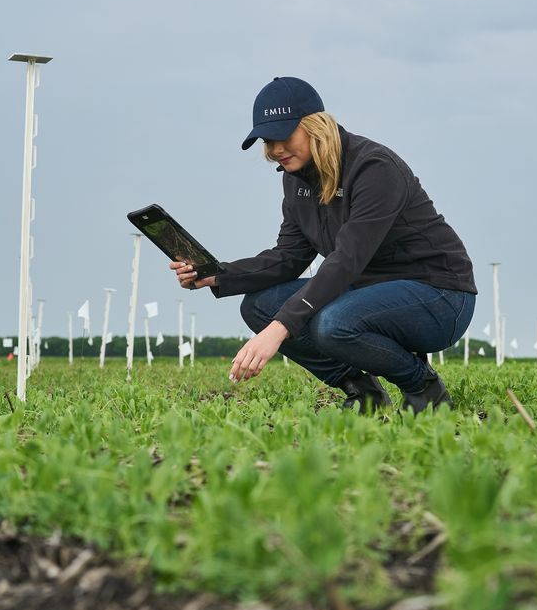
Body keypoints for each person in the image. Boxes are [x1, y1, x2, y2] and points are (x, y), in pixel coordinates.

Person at [170, 76, 476, 413]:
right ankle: (363, 393)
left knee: (332, 323)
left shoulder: (374, 168)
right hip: (368, 292)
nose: (274, 151)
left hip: (439, 295)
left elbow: (346, 260)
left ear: (316, 126)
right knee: (259, 305)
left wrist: (281, 328)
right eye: (267, 141)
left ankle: (424, 388)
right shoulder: (296, 180)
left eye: (283, 136)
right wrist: (217, 275)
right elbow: (288, 257)